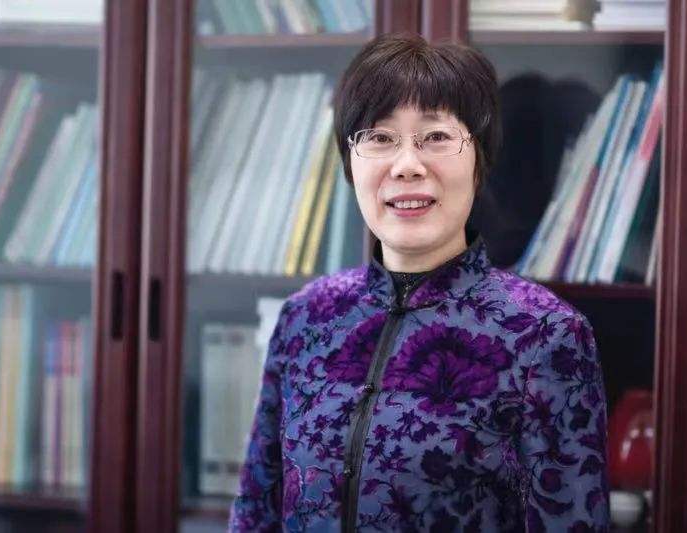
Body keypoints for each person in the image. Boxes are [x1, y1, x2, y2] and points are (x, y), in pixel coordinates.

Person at [229, 32, 609, 532]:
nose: (407, 165)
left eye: (436, 137)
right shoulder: (306, 316)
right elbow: (256, 510)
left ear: (479, 161)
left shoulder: (545, 334)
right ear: (350, 162)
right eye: (380, 138)